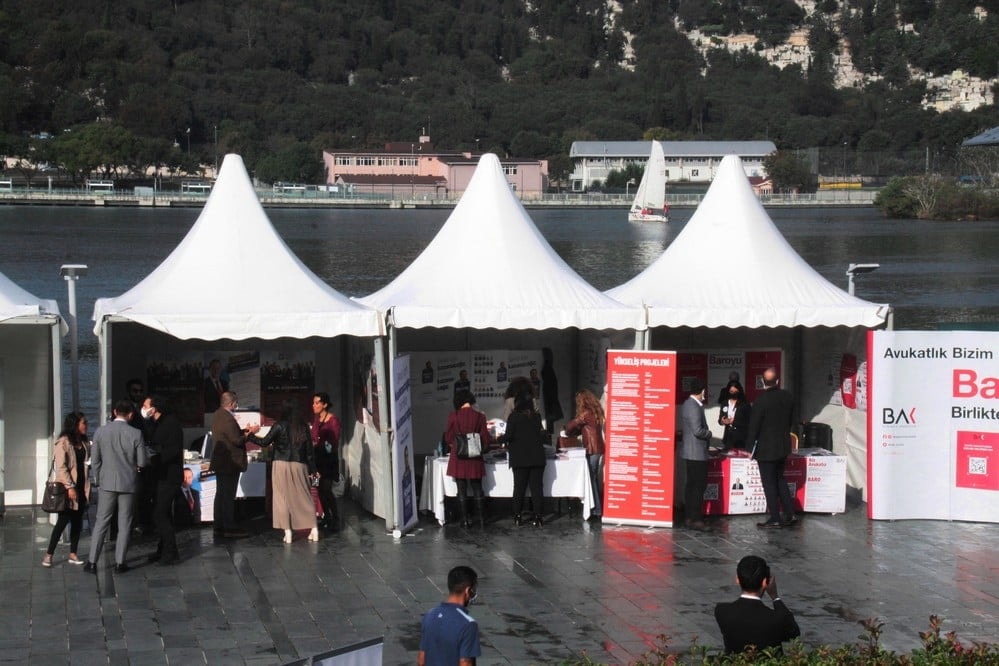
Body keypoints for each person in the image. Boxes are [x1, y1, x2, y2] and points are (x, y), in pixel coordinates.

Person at [84, 400, 150, 573]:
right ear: (130, 415)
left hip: (106, 482)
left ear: (114, 412)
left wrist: (98, 478)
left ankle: (92, 562)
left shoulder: (100, 431)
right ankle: (120, 562)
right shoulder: (136, 433)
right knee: (125, 523)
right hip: (128, 482)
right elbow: (142, 462)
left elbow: (95, 460)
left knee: (101, 522)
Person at [253, 400, 319, 543]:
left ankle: (288, 533)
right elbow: (309, 452)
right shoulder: (303, 427)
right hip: (299, 465)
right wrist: (313, 469)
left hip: (280, 464)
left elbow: (264, 442)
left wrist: (249, 435)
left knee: (281, 499)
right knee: (304, 496)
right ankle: (314, 528)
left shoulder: (279, 425)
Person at [714, 555, 800, 654]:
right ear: (764, 582)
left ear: (737, 579)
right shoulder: (777, 618)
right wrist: (775, 597)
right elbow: (794, 632)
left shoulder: (722, 611)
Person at [746, 368, 797, 529]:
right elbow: (791, 420)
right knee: (780, 479)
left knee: (769, 483)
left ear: (763, 382)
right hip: (782, 446)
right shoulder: (787, 396)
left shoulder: (761, 401)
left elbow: (754, 427)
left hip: (766, 449)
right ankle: (790, 513)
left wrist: (748, 447)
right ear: (777, 381)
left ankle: (775, 516)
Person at [42, 412, 91, 567]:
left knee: (78, 521)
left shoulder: (83, 442)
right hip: (68, 488)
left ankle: (73, 553)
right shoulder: (63, 442)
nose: (86, 425)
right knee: (63, 521)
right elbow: (61, 467)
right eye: (83, 423)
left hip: (83, 487)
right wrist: (70, 487)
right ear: (75, 424)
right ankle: (49, 554)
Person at [209, 391, 258, 538]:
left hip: (221, 462)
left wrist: (244, 431)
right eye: (236, 403)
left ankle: (219, 525)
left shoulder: (218, 415)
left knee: (220, 494)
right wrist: (251, 433)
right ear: (232, 403)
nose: (236, 405)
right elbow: (237, 440)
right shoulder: (228, 419)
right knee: (228, 496)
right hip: (229, 463)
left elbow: (231, 434)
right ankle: (228, 527)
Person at [144, 395, 185, 565]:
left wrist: (154, 459)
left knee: (159, 514)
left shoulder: (171, 424)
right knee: (164, 513)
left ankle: (170, 552)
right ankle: (164, 549)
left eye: (146, 405)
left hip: (170, 475)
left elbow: (172, 450)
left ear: (154, 407)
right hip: (161, 475)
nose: (144, 408)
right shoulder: (157, 423)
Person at [497, 390, 547, 527]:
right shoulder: (536, 417)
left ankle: (517, 517)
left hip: (519, 459)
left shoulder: (513, 417)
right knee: (537, 488)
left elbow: (508, 436)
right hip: (537, 457)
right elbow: (542, 435)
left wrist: (497, 438)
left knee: (519, 488)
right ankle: (538, 518)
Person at [444, 390, 492, 528]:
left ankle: (464, 520)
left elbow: (448, 437)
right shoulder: (479, 416)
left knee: (461, 489)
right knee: (478, 488)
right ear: (470, 400)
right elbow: (486, 438)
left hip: (458, 457)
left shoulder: (453, 416)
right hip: (475, 456)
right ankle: (482, 519)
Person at [418, 565, 481, 666]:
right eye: (474, 590)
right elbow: (465, 663)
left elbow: (421, 660)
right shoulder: (468, 624)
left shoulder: (429, 616)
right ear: (467, 590)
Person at [564, 389, 606, 520]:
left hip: (592, 449)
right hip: (597, 449)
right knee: (592, 478)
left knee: (591, 479)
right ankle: (594, 508)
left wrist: (565, 430)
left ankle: (596, 510)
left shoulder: (586, 414)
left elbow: (573, 424)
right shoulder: (596, 412)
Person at [680, 379, 712, 531]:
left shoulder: (689, 404)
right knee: (698, 486)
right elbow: (698, 430)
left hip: (692, 452)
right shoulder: (693, 406)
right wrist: (709, 433)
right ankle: (696, 518)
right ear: (701, 391)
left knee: (692, 486)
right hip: (696, 453)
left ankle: (690, 517)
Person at [311, 392, 341, 531]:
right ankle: (326, 516)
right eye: (313, 403)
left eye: (317, 403)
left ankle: (335, 517)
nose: (314, 405)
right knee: (317, 488)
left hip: (328, 461)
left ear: (325, 404)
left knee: (326, 488)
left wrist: (320, 444)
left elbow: (333, 442)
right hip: (316, 460)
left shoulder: (333, 420)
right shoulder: (317, 420)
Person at [718, 380, 751, 450]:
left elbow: (749, 421)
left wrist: (735, 421)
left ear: (738, 390)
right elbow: (720, 420)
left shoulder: (744, 404)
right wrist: (722, 421)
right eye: (730, 388)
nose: (732, 390)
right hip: (728, 438)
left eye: (734, 388)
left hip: (741, 439)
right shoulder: (724, 403)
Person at [540, 348, 564, 438]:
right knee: (548, 426)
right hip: (550, 402)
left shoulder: (547, 368)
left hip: (549, 402)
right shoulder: (549, 368)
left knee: (547, 426)